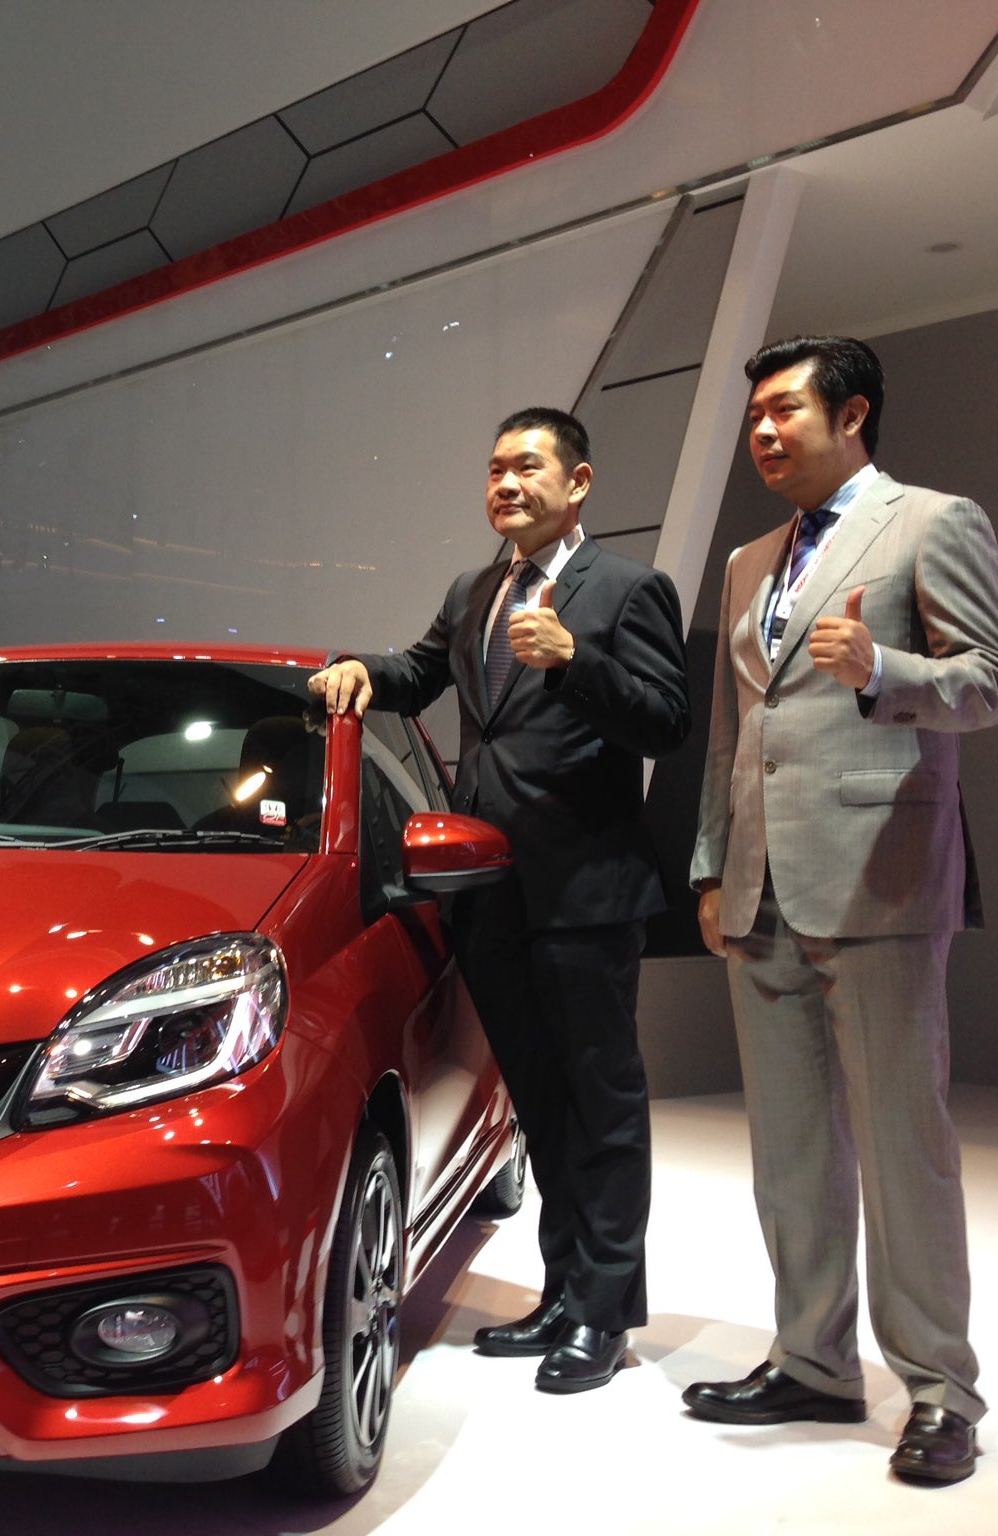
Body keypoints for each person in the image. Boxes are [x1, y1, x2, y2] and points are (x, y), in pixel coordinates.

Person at [685, 336, 998, 1484]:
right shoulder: (748, 561)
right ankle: (811, 1363)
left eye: (783, 410)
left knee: (900, 1150)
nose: (763, 432)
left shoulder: (931, 522)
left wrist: (882, 668)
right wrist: (711, 866)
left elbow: (989, 682)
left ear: (852, 413)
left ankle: (939, 1390)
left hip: (879, 874)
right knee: (788, 1152)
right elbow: (732, 732)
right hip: (763, 883)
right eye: (753, 417)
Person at [310, 407, 689, 1392]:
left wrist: (576, 659)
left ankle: (603, 1314)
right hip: (487, 892)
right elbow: (417, 671)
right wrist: (360, 670)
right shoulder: (472, 590)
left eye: (526, 466)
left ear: (578, 483)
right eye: (494, 469)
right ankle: (564, 1291)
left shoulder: (627, 589)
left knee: (602, 1104)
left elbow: (664, 722)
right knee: (538, 1102)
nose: (506, 484)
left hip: (586, 893)